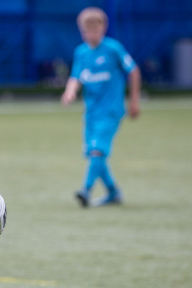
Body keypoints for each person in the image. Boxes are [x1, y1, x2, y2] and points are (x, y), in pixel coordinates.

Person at [61, 6, 141, 207]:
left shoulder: (113, 49)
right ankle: (114, 192)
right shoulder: (81, 52)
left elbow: (133, 71)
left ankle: (85, 191)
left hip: (111, 111)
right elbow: (75, 76)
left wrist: (134, 100)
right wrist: (70, 91)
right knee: (95, 154)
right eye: (86, 31)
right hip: (91, 113)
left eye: (94, 30)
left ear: (103, 28)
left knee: (97, 151)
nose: (91, 35)